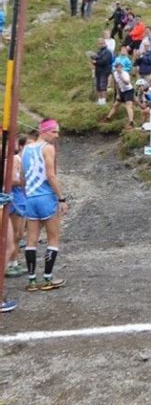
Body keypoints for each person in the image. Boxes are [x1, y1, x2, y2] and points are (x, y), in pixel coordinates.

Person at [21, 119, 68, 292]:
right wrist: (61, 198)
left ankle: (32, 280)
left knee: (31, 239)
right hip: (46, 196)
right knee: (53, 238)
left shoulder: (26, 148)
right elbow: (51, 175)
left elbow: (23, 175)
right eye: (54, 132)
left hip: (31, 197)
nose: (57, 136)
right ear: (44, 131)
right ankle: (47, 278)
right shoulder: (47, 148)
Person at [6, 135, 29, 277]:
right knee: (15, 233)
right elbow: (11, 179)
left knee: (18, 233)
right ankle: (10, 262)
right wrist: (24, 181)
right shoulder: (14, 159)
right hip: (14, 196)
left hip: (18, 196)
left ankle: (13, 261)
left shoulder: (17, 159)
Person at [103, 62, 135, 129]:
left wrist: (121, 77)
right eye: (117, 68)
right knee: (116, 105)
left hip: (129, 90)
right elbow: (117, 84)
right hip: (121, 91)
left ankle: (131, 122)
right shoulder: (115, 73)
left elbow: (127, 83)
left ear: (122, 68)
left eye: (119, 67)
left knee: (128, 105)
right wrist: (118, 93)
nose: (118, 69)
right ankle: (107, 118)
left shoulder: (125, 73)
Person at [90, 37, 113, 105]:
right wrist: (92, 57)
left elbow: (104, 61)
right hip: (98, 71)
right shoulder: (99, 52)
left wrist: (95, 62)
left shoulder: (108, 51)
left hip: (104, 71)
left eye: (102, 43)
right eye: (99, 43)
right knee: (98, 86)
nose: (101, 44)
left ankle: (104, 100)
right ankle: (100, 100)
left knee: (103, 85)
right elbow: (97, 59)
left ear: (105, 43)